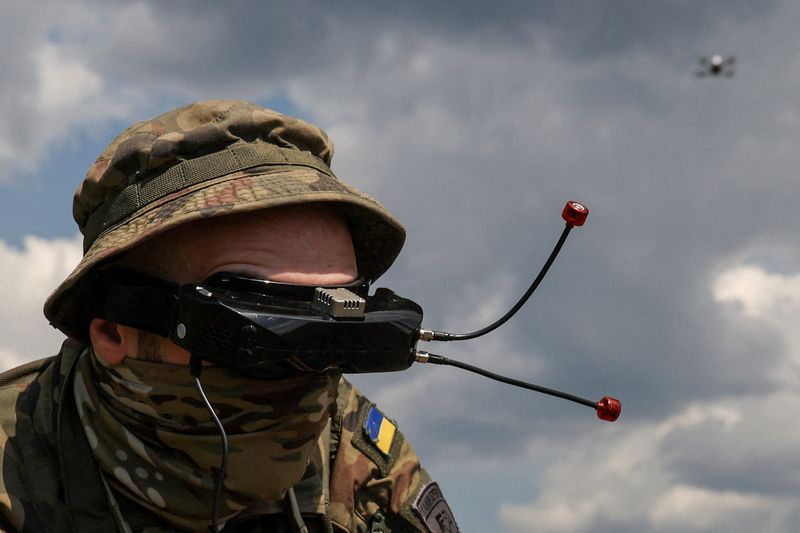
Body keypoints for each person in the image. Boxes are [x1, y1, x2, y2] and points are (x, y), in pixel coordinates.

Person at [0, 100, 459, 532]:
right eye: (256, 333)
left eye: (332, 336)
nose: (308, 371)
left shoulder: (358, 467)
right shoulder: (15, 471)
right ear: (113, 331)